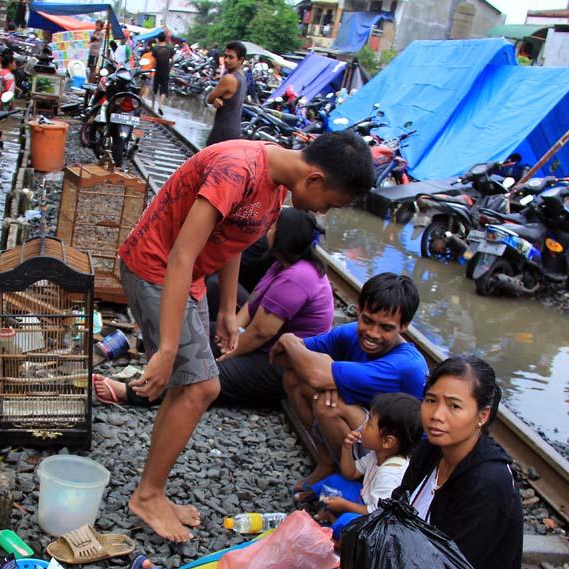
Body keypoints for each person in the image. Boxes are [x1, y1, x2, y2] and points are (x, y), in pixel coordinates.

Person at [115, 356, 522, 569]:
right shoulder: (432, 451)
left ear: (482, 416)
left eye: (454, 406)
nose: (437, 415)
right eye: (431, 400)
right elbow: (393, 522)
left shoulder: (487, 483)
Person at [115, 132, 375, 542]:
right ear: (316, 180)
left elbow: (234, 237)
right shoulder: (238, 169)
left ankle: (153, 490)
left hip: (190, 279)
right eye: (331, 204)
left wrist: (225, 313)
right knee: (202, 388)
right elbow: (181, 254)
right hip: (157, 269)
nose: (324, 213)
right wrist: (166, 348)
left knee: (193, 387)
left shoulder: (273, 185)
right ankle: (147, 495)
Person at [94, 208, 334, 408]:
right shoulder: (282, 264)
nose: (267, 230)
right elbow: (252, 305)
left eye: (272, 228)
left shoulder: (297, 278)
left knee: (204, 379)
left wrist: (231, 353)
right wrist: (231, 333)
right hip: (262, 346)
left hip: (279, 365)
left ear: (283, 237)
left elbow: (261, 332)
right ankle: (156, 363)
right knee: (193, 338)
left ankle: (132, 393)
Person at [270, 272, 427, 500]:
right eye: (368, 320)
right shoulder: (350, 333)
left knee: (329, 404)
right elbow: (282, 358)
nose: (372, 333)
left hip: (400, 453)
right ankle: (328, 463)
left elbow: (314, 375)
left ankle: (351, 479)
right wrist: (288, 341)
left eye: (386, 327)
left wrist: (324, 369)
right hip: (371, 429)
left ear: (404, 326)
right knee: (294, 379)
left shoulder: (404, 365)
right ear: (358, 310)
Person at [317, 391, 422, 525]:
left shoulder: (390, 475)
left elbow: (376, 513)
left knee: (346, 521)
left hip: (375, 519)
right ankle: (327, 513)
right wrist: (347, 449)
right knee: (335, 481)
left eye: (369, 423)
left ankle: (336, 534)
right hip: (363, 499)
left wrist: (345, 505)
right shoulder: (377, 455)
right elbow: (351, 473)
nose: (363, 426)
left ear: (387, 442)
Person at [205, 41, 246, 146]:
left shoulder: (229, 78)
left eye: (231, 57)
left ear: (240, 60)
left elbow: (209, 98)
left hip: (222, 131)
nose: (226, 60)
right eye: (225, 56)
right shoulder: (242, 76)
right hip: (234, 131)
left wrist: (214, 99)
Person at [151, 32, 174, 116]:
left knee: (155, 88)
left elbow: (153, 61)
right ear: (165, 38)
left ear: (158, 38)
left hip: (157, 70)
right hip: (166, 71)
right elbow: (173, 61)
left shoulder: (155, 48)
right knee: (164, 89)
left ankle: (152, 106)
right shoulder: (170, 48)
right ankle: (160, 106)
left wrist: (153, 68)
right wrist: (169, 68)